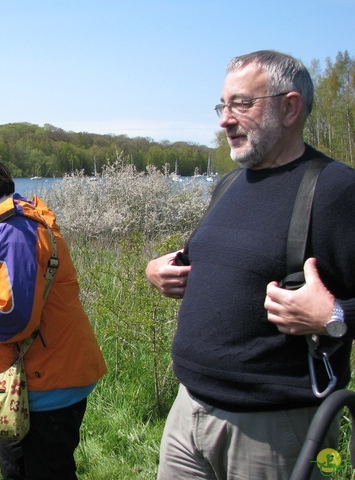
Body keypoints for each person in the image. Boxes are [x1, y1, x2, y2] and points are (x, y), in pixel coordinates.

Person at [146, 50, 355, 480]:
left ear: (290, 107)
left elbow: (335, 311)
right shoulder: (228, 185)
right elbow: (212, 260)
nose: (225, 119)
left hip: (277, 429)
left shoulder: (336, 189)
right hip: (189, 412)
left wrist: (333, 317)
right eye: (223, 105)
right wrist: (159, 270)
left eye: (242, 104)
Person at [0, 152, 107, 480]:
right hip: (28, 378)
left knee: (41, 471)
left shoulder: (13, 232)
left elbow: (12, 313)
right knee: (18, 469)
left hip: (49, 381)